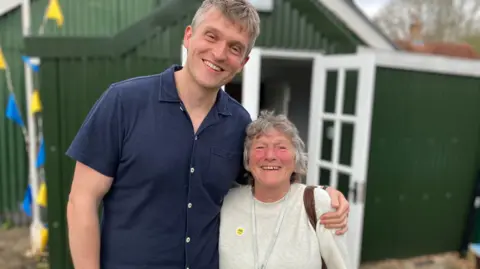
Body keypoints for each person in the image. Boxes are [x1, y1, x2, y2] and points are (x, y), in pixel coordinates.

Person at [65, 1, 350, 269]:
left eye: (234, 48)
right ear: (189, 36)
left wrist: (321, 195)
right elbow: (82, 201)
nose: (219, 53)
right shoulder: (123, 102)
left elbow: (262, 188)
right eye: (211, 36)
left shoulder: (240, 123)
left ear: (244, 61)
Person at [220, 111, 349, 269]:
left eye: (281, 147)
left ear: (296, 159)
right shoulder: (226, 202)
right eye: (260, 147)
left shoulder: (318, 204)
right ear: (247, 160)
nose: (270, 156)